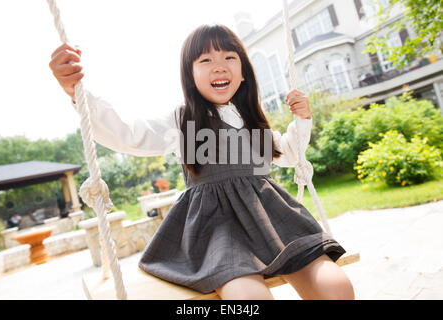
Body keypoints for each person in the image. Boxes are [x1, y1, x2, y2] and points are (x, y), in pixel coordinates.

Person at [48, 24, 354, 300]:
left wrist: (302, 119)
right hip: (218, 232)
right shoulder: (184, 122)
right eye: (205, 61)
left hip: (272, 222)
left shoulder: (252, 122)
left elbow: (289, 152)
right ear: (191, 76)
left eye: (228, 58)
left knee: (337, 288)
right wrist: (76, 92)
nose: (218, 67)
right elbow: (129, 134)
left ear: (244, 71)